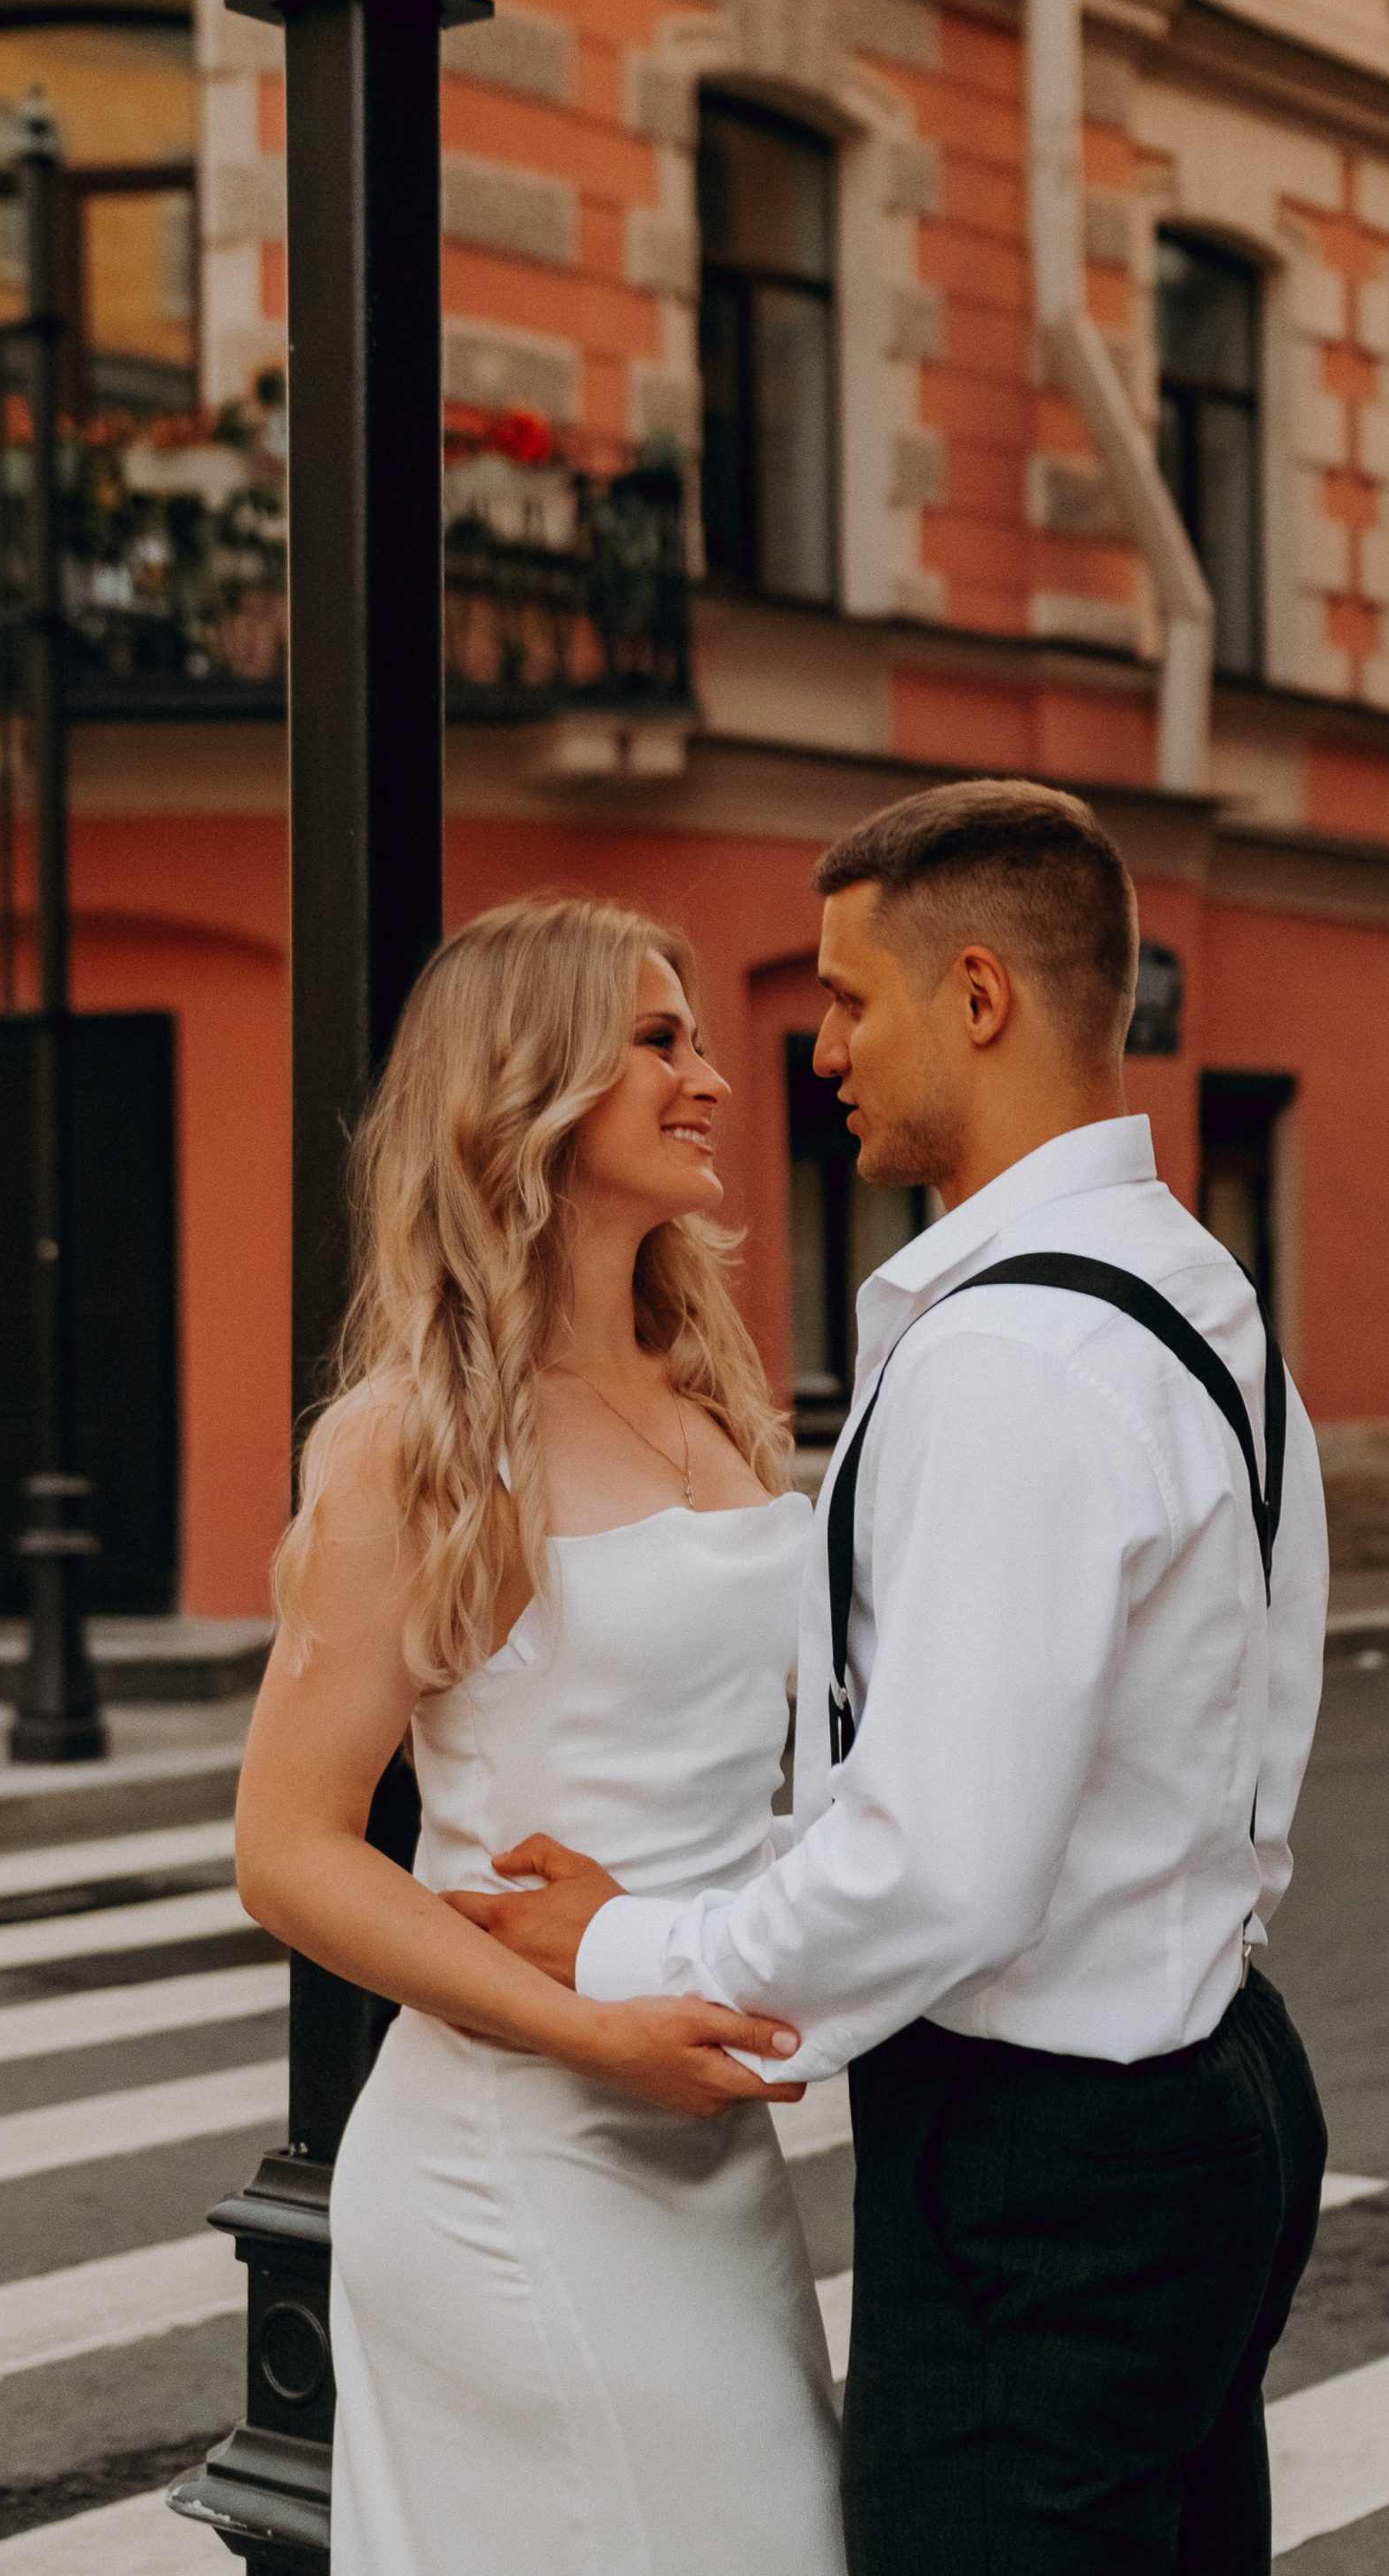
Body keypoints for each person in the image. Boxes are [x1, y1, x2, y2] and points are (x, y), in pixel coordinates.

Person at [464, 780, 1332, 2574]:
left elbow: (940, 1862)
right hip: (1209, 2085)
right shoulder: (1192, 1287)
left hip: (1055, 2176)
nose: (821, 1048)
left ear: (981, 996)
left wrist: (635, 1949)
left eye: (849, 999)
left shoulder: (1010, 1358)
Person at [232, 895, 847, 2576]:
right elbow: (286, 1851)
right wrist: (593, 2039)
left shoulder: (713, 1389)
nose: (710, 1077)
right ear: (531, 1088)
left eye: (702, 1039)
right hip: (520, 2153)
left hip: (708, 2141)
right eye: (659, 1040)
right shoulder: (413, 1442)